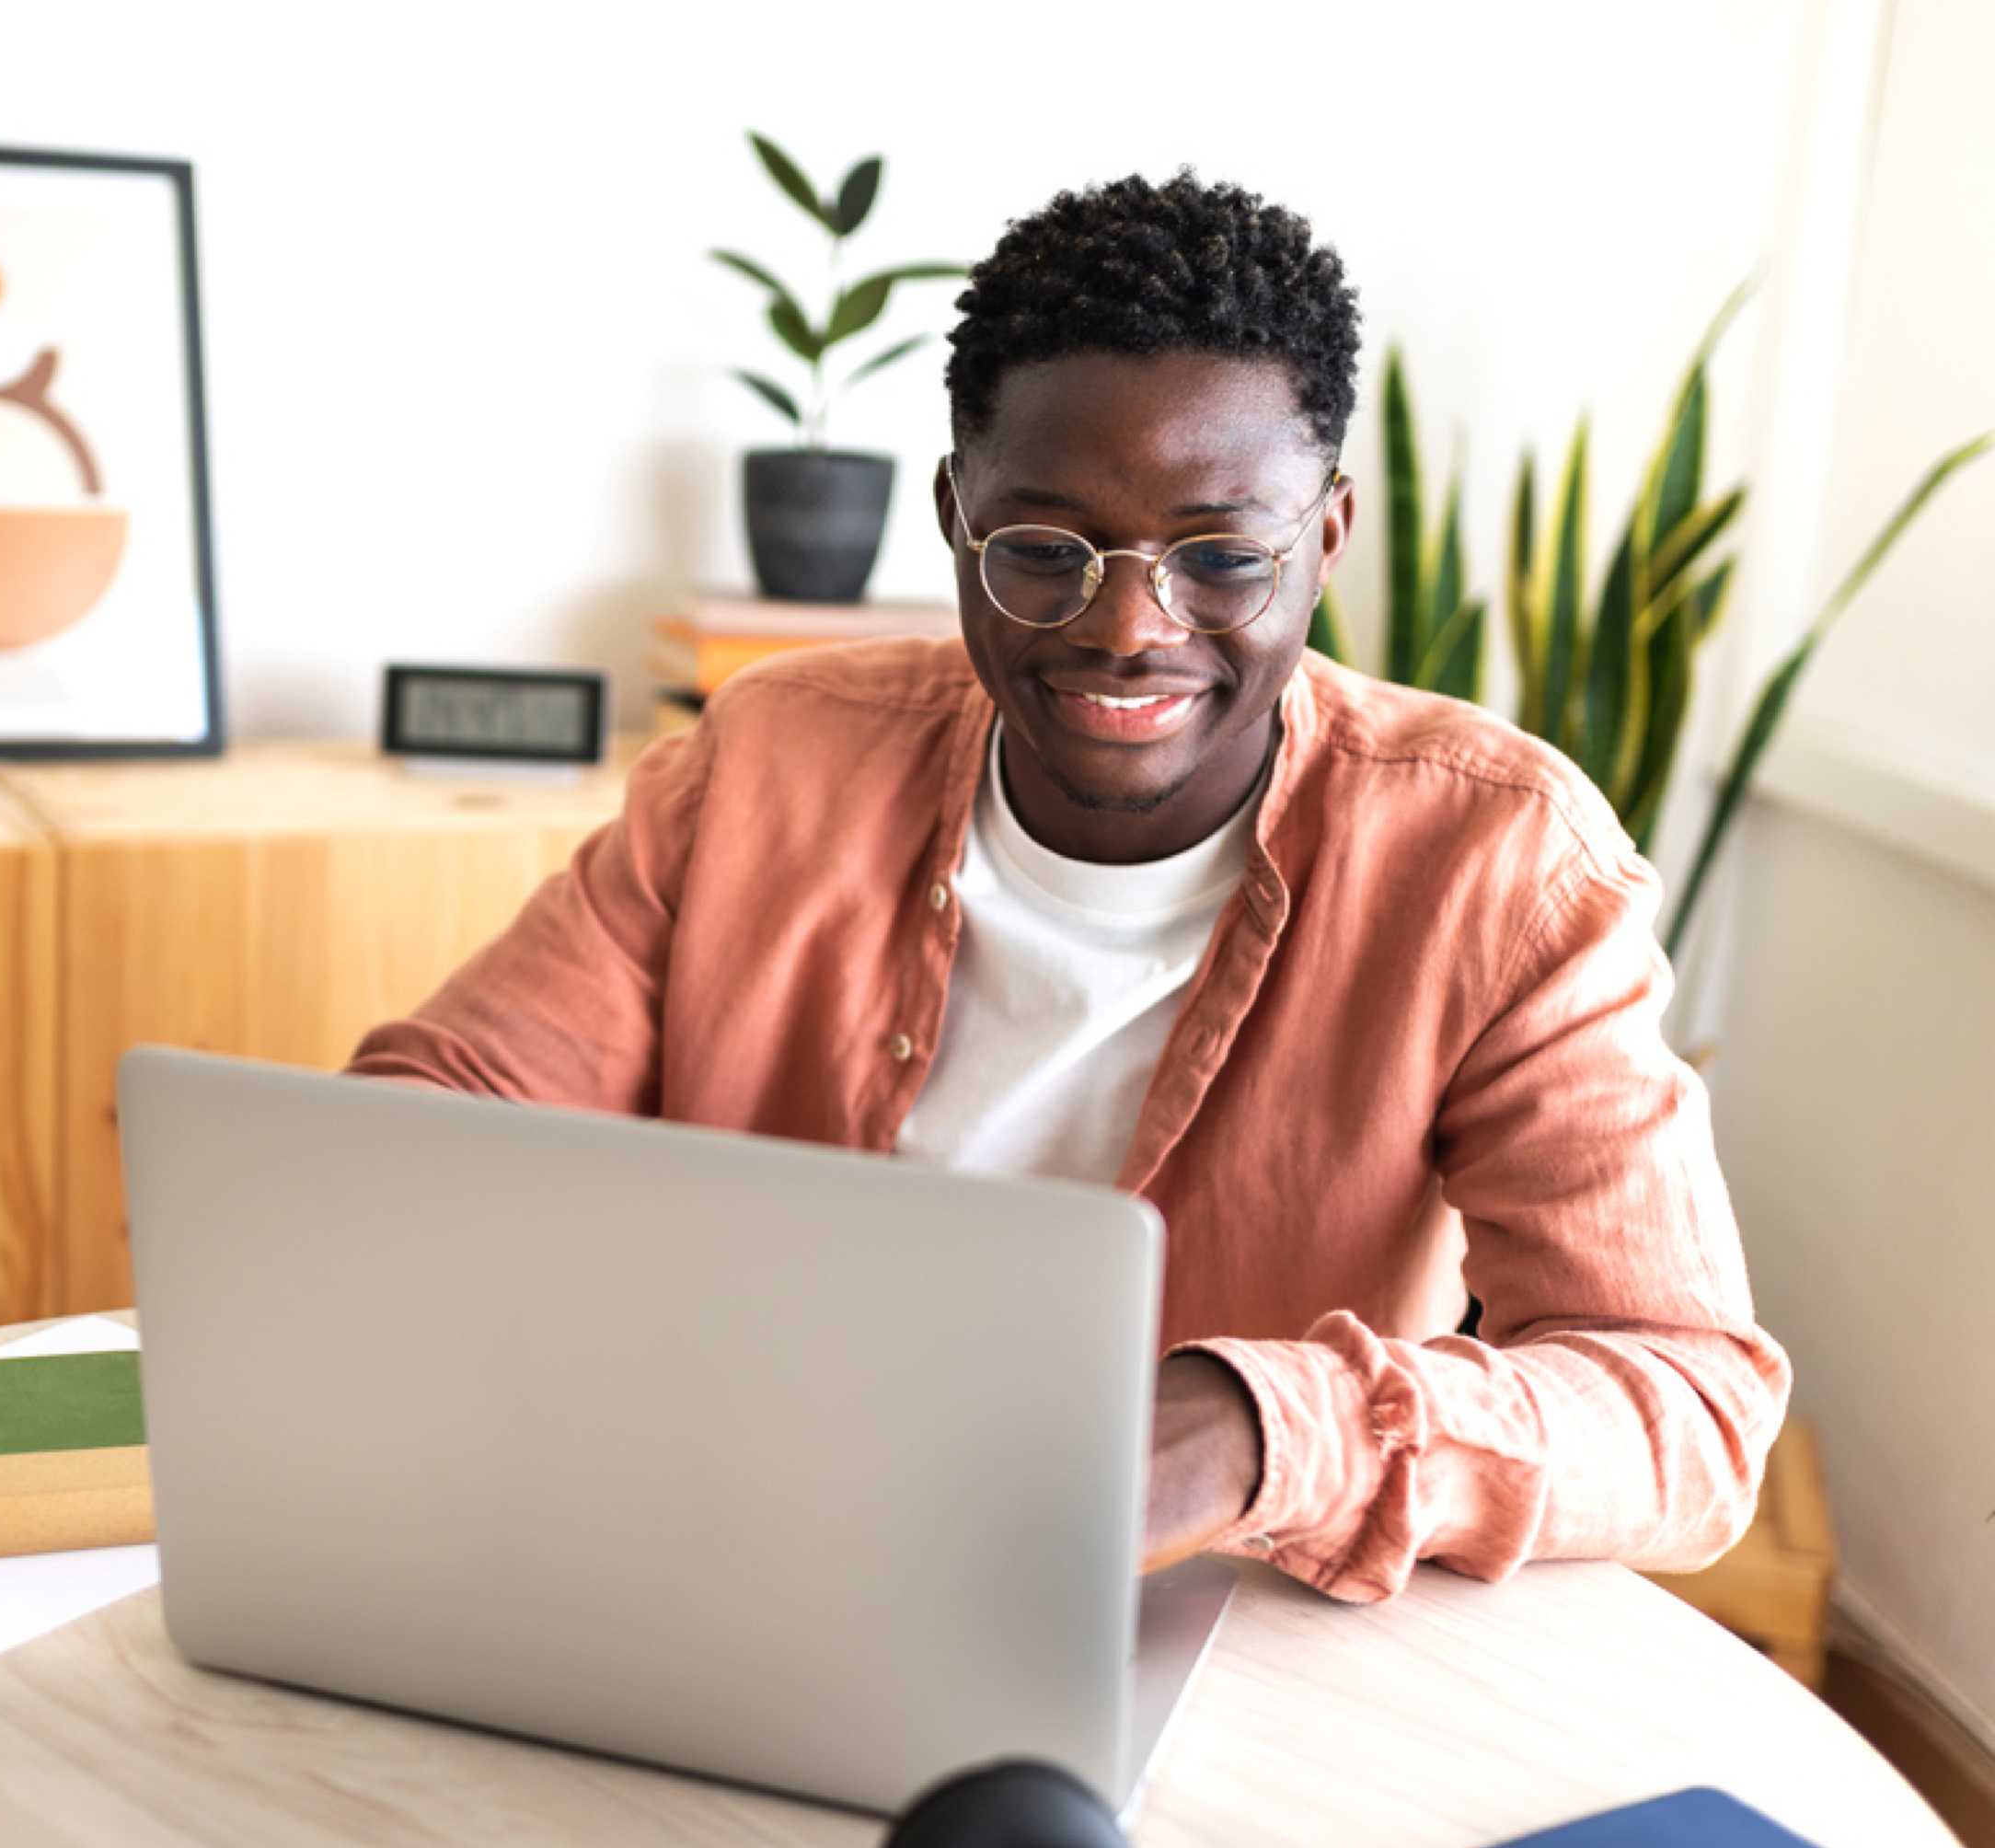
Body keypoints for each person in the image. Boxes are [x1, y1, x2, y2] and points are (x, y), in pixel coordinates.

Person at [345, 172, 1789, 1603]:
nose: (1127, 628)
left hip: (1193, 1625)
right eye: (1043, 551)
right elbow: (448, 1110)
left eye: (1221, 556)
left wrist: (1249, 1432)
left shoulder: (1500, 868)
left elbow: (1688, 1407)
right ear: (954, 516)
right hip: (725, 1540)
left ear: (1326, 536)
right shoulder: (770, 765)